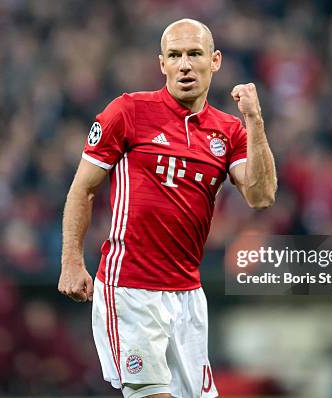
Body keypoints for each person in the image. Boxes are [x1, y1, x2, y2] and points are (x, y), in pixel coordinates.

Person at [58, 18, 277, 398]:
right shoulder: (128, 112)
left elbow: (261, 196)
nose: (185, 65)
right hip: (131, 289)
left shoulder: (230, 131)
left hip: (188, 294)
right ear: (162, 64)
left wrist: (255, 122)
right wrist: (71, 261)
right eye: (175, 56)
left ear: (215, 61)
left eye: (194, 54)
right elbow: (83, 188)